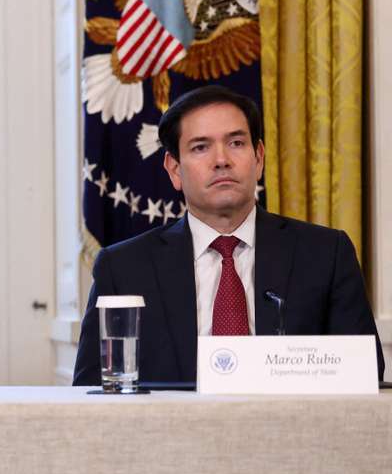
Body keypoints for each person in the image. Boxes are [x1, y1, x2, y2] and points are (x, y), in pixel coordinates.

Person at [74, 85, 384, 385]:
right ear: (174, 169)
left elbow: (364, 373)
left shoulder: (326, 255)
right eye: (200, 147)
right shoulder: (123, 268)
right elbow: (91, 392)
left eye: (236, 143)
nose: (221, 160)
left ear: (258, 158)